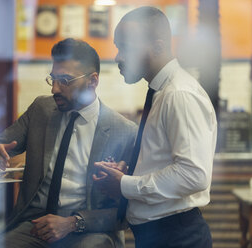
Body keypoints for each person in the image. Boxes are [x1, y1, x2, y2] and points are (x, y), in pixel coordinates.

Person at [0, 38, 137, 248]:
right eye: (53, 79)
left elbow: (127, 212)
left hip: (88, 231)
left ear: (92, 81)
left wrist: (72, 223)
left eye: (65, 80)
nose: (55, 89)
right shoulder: (41, 109)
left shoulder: (124, 131)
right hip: (34, 226)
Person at [93, 7, 217, 248]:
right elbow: (164, 161)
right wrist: (129, 173)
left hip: (176, 237)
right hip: (158, 235)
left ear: (158, 47)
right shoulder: (160, 92)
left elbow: (194, 174)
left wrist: (125, 184)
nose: (118, 57)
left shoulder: (179, 94)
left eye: (126, 47)